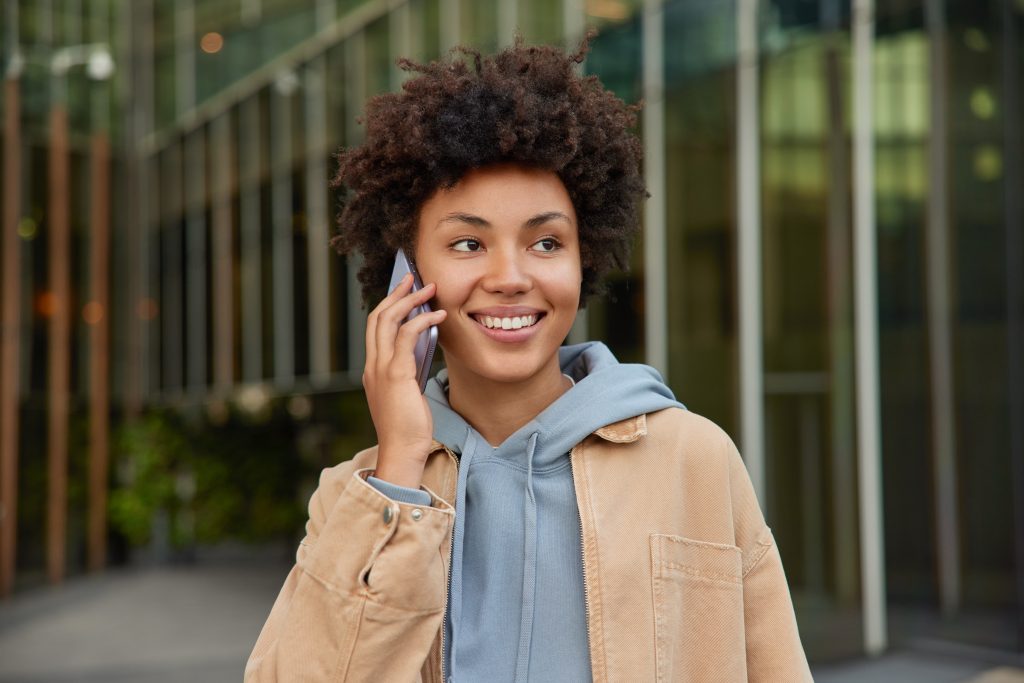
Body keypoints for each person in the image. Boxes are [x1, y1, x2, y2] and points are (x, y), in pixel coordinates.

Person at [245, 34, 812, 682]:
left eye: (546, 241)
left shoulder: (694, 460)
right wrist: (400, 472)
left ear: (584, 257)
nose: (510, 276)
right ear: (405, 273)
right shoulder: (359, 495)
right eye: (467, 243)